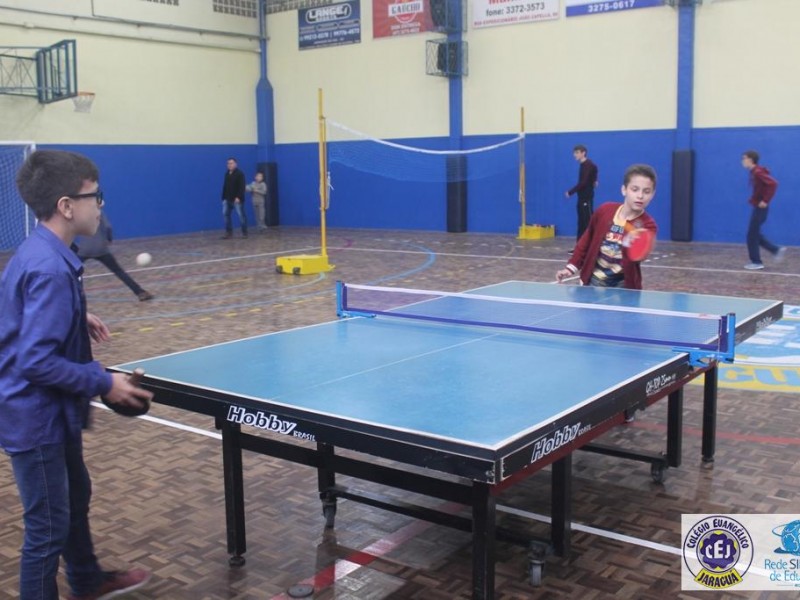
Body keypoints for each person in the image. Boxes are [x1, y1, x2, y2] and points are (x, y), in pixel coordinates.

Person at [0, 150, 153, 600]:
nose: (100, 205)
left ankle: (86, 581)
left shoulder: (42, 251)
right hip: (36, 417)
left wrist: (73, 316)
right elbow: (35, 362)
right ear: (67, 206)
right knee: (47, 530)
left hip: (52, 411)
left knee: (76, 496)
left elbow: (17, 311)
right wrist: (105, 382)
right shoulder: (49, 268)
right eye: (95, 197)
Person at [556, 163, 658, 290]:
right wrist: (571, 267)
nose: (640, 196)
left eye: (646, 191)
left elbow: (638, 257)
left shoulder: (648, 225)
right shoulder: (605, 211)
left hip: (623, 287)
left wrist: (633, 243)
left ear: (652, 194)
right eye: (635, 189)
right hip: (593, 281)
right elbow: (586, 241)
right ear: (624, 190)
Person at [77, 211, 154, 301]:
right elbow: (108, 227)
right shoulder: (98, 211)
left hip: (85, 249)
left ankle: (74, 296)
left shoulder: (80, 213)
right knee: (118, 271)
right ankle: (140, 292)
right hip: (101, 249)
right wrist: (109, 239)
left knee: (73, 272)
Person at [741, 150, 785, 270]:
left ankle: (756, 262)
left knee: (752, 235)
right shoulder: (755, 172)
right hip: (758, 206)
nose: (742, 161)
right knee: (754, 233)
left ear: (750, 160)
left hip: (761, 207)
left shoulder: (757, 172)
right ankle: (775, 250)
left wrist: (765, 200)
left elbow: (773, 184)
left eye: (744, 158)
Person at [564, 144, 599, 249]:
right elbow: (594, 170)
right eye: (574, 153)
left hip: (586, 198)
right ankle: (579, 247)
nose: (575, 155)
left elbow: (583, 182)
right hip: (581, 198)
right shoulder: (583, 165)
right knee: (581, 223)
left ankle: (592, 246)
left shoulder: (588, 165)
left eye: (577, 153)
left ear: (583, 153)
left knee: (588, 223)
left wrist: (570, 192)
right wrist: (595, 180)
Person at [221, 157, 248, 239]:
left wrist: (238, 197)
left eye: (231, 163)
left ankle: (244, 233)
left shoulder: (240, 174)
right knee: (226, 215)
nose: (229, 165)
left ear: (236, 164)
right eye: (228, 163)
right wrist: (223, 198)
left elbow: (242, 186)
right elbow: (225, 186)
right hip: (227, 199)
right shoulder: (226, 174)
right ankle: (229, 233)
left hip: (237, 200)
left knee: (241, 216)